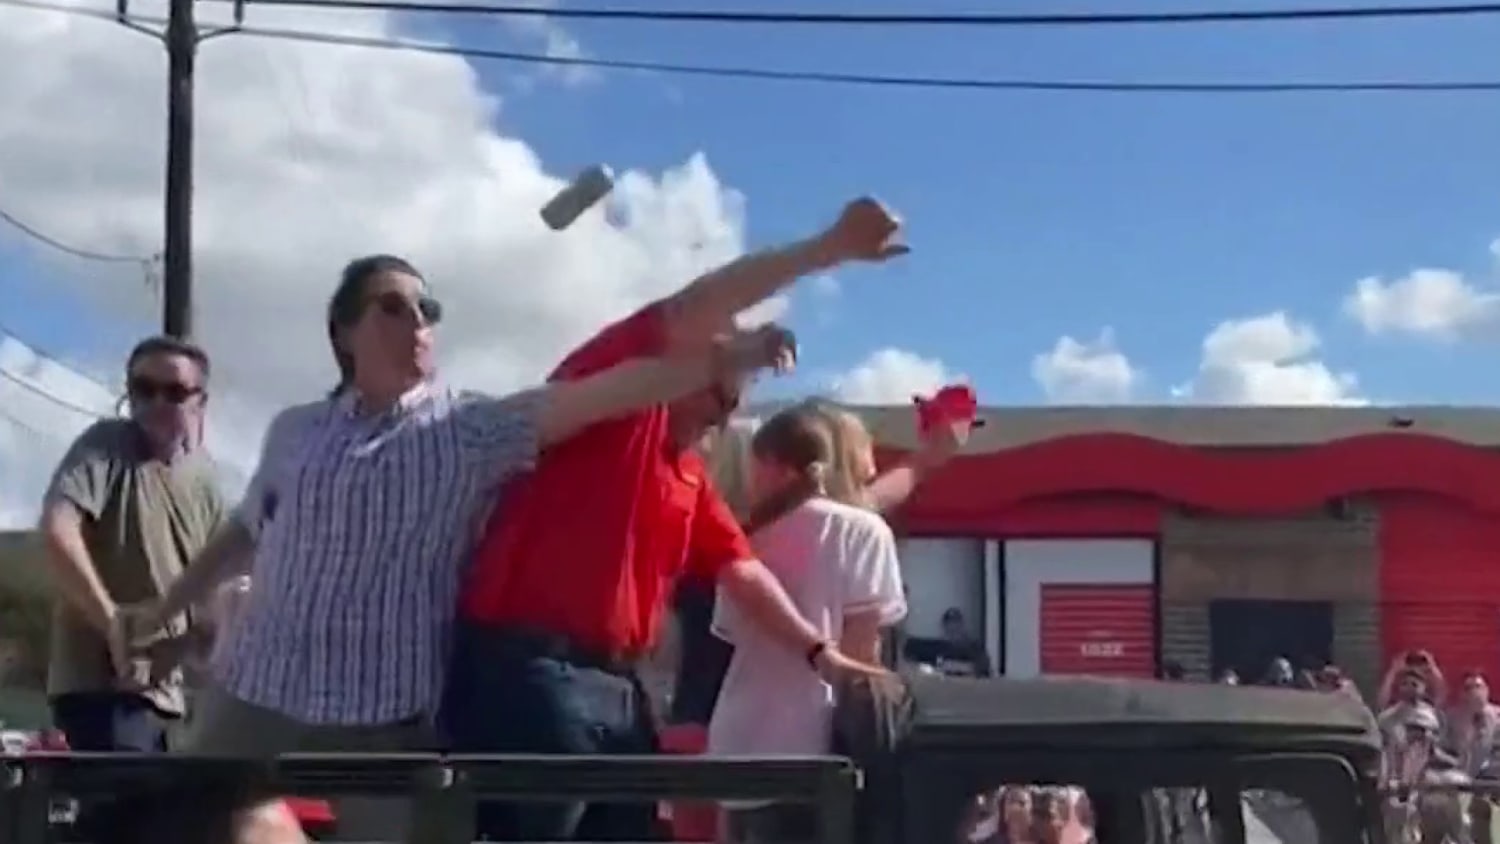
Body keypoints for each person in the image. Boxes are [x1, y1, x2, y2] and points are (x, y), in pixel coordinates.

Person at [137, 254, 790, 838]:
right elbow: (246, 529)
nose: (417, 320)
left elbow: (606, 392)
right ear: (344, 332)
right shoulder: (294, 431)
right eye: (393, 306)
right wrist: (165, 609)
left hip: (378, 708)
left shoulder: (467, 427)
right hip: (260, 681)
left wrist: (727, 362)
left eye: (428, 309)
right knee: (175, 821)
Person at [446, 196, 909, 842]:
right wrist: (825, 249)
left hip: (615, 688)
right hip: (530, 670)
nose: (722, 417)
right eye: (720, 394)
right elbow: (700, 303)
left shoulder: (687, 476)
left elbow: (743, 572)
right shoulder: (614, 406)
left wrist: (820, 654)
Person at [709, 406, 907, 843]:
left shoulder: (746, 539)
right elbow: (861, 653)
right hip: (818, 746)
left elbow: (732, 635)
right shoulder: (864, 531)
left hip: (739, 741)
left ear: (777, 467)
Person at [39, 335, 223, 753]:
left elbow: (221, 588)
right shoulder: (106, 445)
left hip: (175, 698)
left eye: (174, 392)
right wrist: (115, 629)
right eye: (144, 389)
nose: (157, 402)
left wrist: (188, 651)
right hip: (102, 690)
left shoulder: (206, 480)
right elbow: (58, 530)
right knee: (131, 809)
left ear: (200, 402)